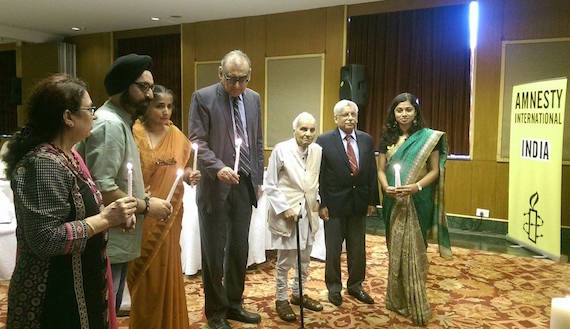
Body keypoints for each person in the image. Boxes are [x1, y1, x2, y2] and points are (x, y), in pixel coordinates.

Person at [3, 74, 137, 328]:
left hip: (79, 286)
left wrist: (112, 217)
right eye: (89, 109)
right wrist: (104, 219)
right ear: (67, 117)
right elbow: (45, 238)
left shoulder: (70, 155)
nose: (95, 116)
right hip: (51, 295)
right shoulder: (43, 163)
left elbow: (82, 213)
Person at [76, 53, 172, 313]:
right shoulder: (110, 125)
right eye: (143, 87)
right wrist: (146, 204)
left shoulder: (121, 121)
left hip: (118, 237)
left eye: (151, 87)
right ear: (122, 86)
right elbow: (101, 186)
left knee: (112, 308)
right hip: (110, 237)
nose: (150, 95)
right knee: (105, 310)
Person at [188, 49, 264, 329]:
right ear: (220, 73)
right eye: (231, 79)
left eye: (243, 79)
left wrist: (257, 180)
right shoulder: (203, 97)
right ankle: (216, 312)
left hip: (244, 185)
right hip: (214, 187)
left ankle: (234, 303)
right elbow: (197, 141)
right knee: (213, 251)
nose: (237, 86)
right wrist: (218, 167)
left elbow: (257, 141)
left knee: (238, 249)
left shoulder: (254, 98)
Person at [127, 85, 201, 328]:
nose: (166, 111)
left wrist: (189, 175)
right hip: (141, 215)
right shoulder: (133, 133)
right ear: (146, 106)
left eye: (169, 106)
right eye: (160, 106)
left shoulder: (178, 137)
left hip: (168, 218)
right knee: (144, 275)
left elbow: (182, 170)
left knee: (166, 269)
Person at [377, 92, 452, 326]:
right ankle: (396, 298)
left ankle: (415, 299)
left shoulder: (428, 138)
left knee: (416, 249)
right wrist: (386, 186)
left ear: (416, 112)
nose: (404, 114)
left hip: (418, 199)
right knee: (395, 248)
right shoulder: (386, 137)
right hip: (393, 200)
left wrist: (416, 187)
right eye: (399, 110)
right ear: (394, 113)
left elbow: (434, 171)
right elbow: (380, 169)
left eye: (408, 110)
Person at [316, 99, 378, 307]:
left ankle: (356, 285)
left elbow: (371, 171)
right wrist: (322, 203)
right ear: (336, 118)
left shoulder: (366, 140)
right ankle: (334, 288)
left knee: (357, 248)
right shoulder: (324, 141)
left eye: (353, 114)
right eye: (345, 114)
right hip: (333, 205)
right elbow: (320, 175)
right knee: (333, 249)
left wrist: (372, 201)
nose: (350, 118)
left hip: (359, 202)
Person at [265, 112, 323, 322]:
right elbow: (270, 183)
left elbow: (317, 180)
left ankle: (298, 294)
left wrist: (319, 201)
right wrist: (284, 208)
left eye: (312, 130)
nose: (308, 134)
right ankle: (281, 299)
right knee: (285, 260)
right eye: (303, 129)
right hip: (288, 214)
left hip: (309, 212)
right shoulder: (282, 149)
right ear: (295, 130)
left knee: (305, 258)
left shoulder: (317, 150)